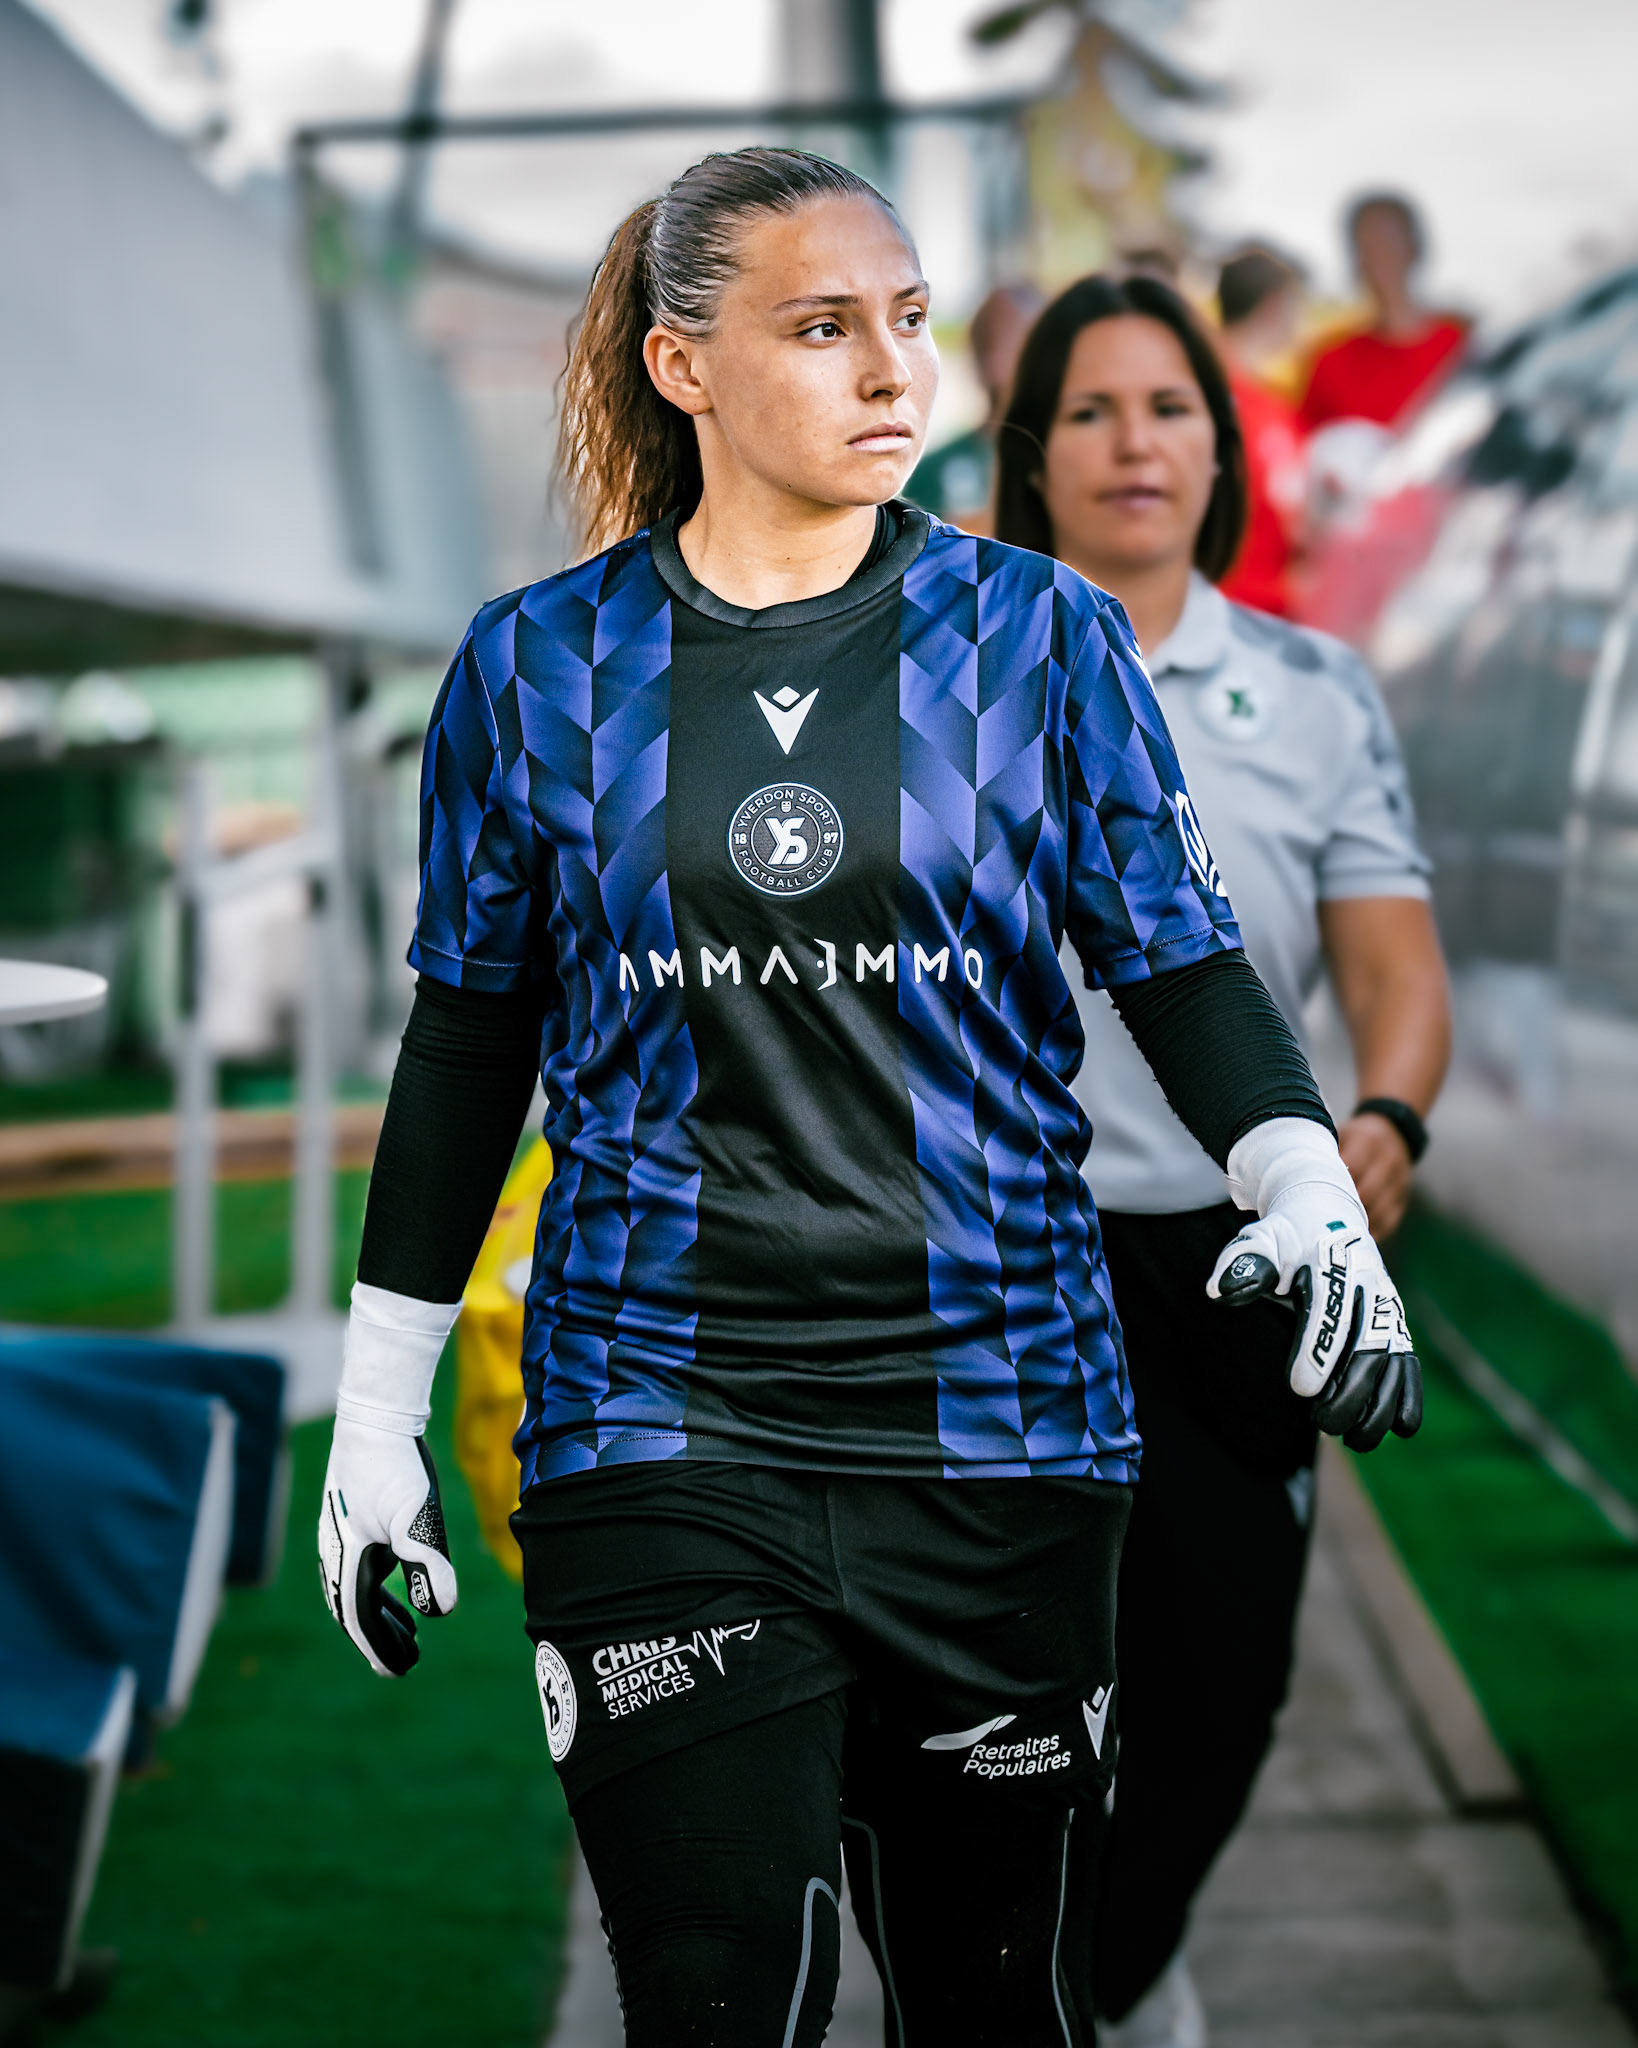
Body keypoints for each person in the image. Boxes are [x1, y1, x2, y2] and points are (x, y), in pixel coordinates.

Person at [316, 148, 1421, 2047]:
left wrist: (1304, 1181)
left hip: (1002, 1436)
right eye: (821, 327)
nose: (889, 370)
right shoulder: (535, 669)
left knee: (997, 2008)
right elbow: (464, 1047)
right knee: (720, 1987)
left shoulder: (1039, 640)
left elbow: (1177, 964)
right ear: (685, 367)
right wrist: (374, 1407)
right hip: (657, 1425)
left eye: (905, 322)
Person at [992, 273, 1450, 2045]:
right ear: (1031, 456)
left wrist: (1381, 1126)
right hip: (997, 1263)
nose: (1132, 443)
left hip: (1230, 1264)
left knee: (1215, 1683)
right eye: (1091, 410)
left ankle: (1107, 1970)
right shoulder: (941, 687)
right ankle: (1060, 1980)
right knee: (994, 1695)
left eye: (1166, 406)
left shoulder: (1311, 694)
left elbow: (1390, 978)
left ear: (1215, 444)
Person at [1300, 193, 1468, 434]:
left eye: (1390, 242)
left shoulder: (1462, 351)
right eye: (1368, 247)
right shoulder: (1331, 362)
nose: (1381, 257)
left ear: (1414, 248)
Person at [1215, 245, 1308, 618]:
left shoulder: (1273, 406)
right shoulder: (1196, 396)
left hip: (1267, 623)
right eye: (1297, 307)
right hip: (1224, 619)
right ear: (1274, 305)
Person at [903, 281, 1043, 528]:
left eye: (1013, 334)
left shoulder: (1068, 462)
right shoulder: (932, 469)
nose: (995, 353)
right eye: (986, 338)